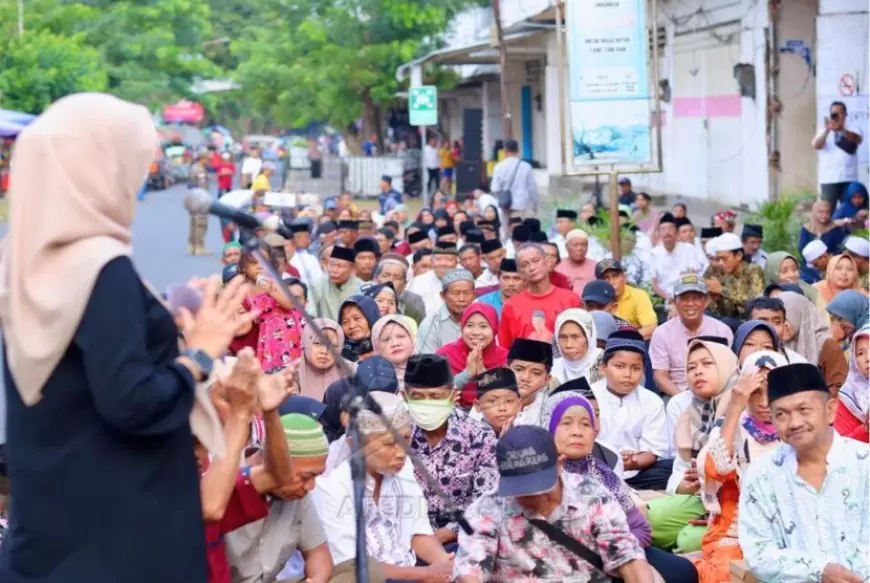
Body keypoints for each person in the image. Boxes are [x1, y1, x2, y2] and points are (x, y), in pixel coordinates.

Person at [0, 93, 248, 583]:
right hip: (119, 537)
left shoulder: (24, 256)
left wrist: (161, 326)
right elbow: (131, 401)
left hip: (54, 523)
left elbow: (82, 364)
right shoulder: (101, 267)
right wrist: (200, 354)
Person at [454, 426, 655, 582]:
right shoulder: (486, 510)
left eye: (539, 488)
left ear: (560, 465)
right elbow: (470, 571)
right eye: (521, 490)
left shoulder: (591, 495)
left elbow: (628, 558)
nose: (531, 498)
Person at [542, 390, 699, 583]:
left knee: (683, 572)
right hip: (565, 561)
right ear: (548, 427)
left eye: (586, 424)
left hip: (621, 549)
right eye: (566, 423)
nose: (577, 431)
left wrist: (621, 553)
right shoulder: (540, 474)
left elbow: (638, 526)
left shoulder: (602, 473)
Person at [738, 363, 869, 582]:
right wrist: (818, 571)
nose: (794, 423)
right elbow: (758, 553)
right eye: (781, 414)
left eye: (804, 410)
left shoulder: (864, 463)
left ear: (830, 410)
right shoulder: (762, 476)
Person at [314, 391, 456, 581]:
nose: (401, 453)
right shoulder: (333, 488)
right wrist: (425, 574)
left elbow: (417, 531)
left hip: (410, 570)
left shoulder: (402, 468)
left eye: (405, 439)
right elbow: (351, 565)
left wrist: (446, 566)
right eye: (389, 444)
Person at [692, 356, 778, 583]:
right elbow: (715, 469)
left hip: (785, 529)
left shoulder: (795, 430)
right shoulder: (731, 428)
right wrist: (736, 405)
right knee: (723, 572)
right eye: (756, 393)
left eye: (772, 392)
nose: (764, 403)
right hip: (736, 531)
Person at [403, 354, 499, 551]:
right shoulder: (396, 436)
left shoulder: (479, 437)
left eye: (435, 396)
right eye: (417, 397)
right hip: (406, 540)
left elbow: (485, 502)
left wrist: (447, 533)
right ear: (405, 397)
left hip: (463, 538)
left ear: (453, 395)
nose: (426, 404)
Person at [225, 413, 335, 583]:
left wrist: (317, 579)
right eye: (306, 477)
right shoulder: (223, 484)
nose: (311, 487)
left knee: (362, 569)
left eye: (316, 477)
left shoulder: (298, 494)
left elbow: (318, 552)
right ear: (275, 465)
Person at [592, 330, 672, 490]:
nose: (627, 374)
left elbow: (653, 451)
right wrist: (610, 461)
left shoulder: (652, 401)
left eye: (635, 368)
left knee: (672, 468)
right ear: (603, 368)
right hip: (595, 468)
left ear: (643, 371)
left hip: (635, 472)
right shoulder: (589, 396)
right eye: (619, 366)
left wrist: (632, 461)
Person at [650, 274, 734, 396]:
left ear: (706, 301)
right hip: (676, 394)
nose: (690, 303)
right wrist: (683, 402)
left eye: (696, 298)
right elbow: (660, 377)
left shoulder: (722, 330)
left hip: (715, 393)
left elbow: (729, 372)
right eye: (684, 299)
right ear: (674, 302)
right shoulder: (662, 333)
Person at [499, 244, 582, 348]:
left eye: (535, 260)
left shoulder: (571, 299)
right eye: (525, 264)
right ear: (520, 272)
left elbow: (581, 339)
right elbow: (505, 348)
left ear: (547, 262)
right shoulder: (510, 306)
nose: (532, 267)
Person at [436, 303, 508, 409]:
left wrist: (483, 374)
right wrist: (467, 373)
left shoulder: (505, 358)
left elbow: (507, 399)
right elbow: (436, 394)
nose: (476, 332)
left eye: (483, 326)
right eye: (469, 325)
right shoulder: (444, 355)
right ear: (462, 327)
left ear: (494, 328)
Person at [778, 291, 847, 395]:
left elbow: (839, 388)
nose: (785, 325)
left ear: (802, 315)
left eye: (789, 318)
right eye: (779, 320)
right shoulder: (775, 346)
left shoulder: (827, 346)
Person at [813, 100, 864, 208]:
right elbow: (816, 145)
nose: (836, 116)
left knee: (850, 210)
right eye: (833, 113)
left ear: (845, 114)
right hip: (829, 179)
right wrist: (827, 130)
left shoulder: (853, 128)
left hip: (849, 178)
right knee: (827, 211)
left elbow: (858, 139)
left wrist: (842, 130)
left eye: (839, 113)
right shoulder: (823, 130)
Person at [703, 232, 764, 319]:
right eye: (719, 259)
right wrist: (714, 299)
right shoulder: (719, 271)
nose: (720, 263)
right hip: (724, 321)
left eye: (724, 259)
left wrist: (722, 291)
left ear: (739, 255)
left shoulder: (753, 270)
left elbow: (756, 303)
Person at [417, 268, 476, 354]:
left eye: (466, 293)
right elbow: (429, 362)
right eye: (455, 293)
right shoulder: (431, 324)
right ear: (443, 296)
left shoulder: (483, 320)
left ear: (474, 295)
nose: (461, 299)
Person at [595, 259, 657, 339]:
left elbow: (651, 328)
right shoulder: (595, 299)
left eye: (615, 276)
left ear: (624, 277)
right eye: (606, 278)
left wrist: (622, 340)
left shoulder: (638, 296)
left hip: (633, 344)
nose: (612, 282)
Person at [297, 318, 355, 401]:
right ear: (306, 342)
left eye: (333, 346)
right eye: (318, 343)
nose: (324, 351)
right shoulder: (288, 376)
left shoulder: (352, 373)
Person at [650, 214, 701, 301]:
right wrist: (669, 299)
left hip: (686, 296)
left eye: (670, 228)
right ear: (659, 233)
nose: (667, 232)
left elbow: (694, 275)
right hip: (664, 298)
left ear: (677, 233)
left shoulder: (689, 249)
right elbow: (654, 284)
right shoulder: (654, 253)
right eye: (663, 229)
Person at [833, 325, 869, 442]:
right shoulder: (847, 398)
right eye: (860, 353)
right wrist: (866, 429)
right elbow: (841, 445)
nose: (868, 358)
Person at [311, 246, 363, 319]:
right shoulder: (317, 285)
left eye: (340, 266)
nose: (334, 270)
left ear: (351, 269)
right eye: (331, 265)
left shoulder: (361, 287)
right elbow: (310, 313)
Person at [490, 139, 538, 217]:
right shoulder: (526, 167)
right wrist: (535, 205)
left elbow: (494, 188)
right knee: (518, 227)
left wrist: (501, 197)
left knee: (506, 227)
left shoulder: (499, 167)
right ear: (518, 150)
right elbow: (532, 188)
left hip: (505, 204)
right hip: (521, 203)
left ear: (505, 151)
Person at [551, 309, 601, 385]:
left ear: (588, 338)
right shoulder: (552, 369)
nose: (568, 345)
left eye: (575, 337)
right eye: (563, 337)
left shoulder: (606, 364)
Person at [371, 314, 417, 392]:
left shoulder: (429, 372)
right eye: (386, 339)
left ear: (412, 338)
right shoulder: (371, 381)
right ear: (376, 347)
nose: (395, 343)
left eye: (400, 336)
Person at [337, 295, 379, 363]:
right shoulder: (338, 355)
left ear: (371, 318)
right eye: (345, 322)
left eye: (357, 318)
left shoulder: (387, 349)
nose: (351, 326)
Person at [555, 229, 597, 296]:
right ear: (566, 247)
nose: (580, 248)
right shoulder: (557, 266)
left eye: (583, 245)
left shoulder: (595, 267)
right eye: (575, 245)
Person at [188, 151, 212, 256]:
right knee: (201, 223)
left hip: (193, 198)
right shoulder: (200, 170)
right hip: (200, 200)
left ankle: (192, 245)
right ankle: (199, 247)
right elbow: (202, 187)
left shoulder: (194, 168)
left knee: (194, 223)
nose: (209, 161)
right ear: (203, 158)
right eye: (208, 159)